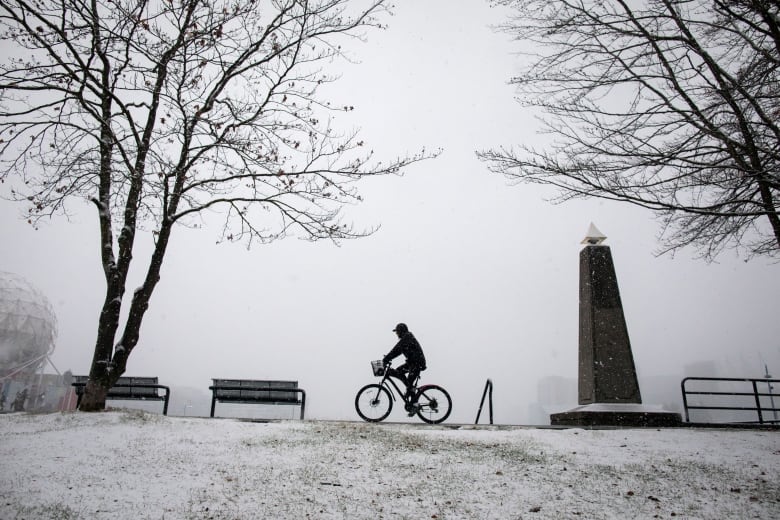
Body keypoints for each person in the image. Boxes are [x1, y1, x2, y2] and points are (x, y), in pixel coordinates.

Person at [383, 323, 427, 413]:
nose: (396, 334)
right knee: (399, 371)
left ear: (401, 331)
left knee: (409, 382)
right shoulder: (406, 337)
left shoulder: (407, 337)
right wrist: (387, 358)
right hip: (412, 363)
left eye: (397, 332)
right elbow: (397, 350)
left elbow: (397, 350)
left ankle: (415, 404)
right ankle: (409, 390)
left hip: (416, 363)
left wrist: (387, 358)